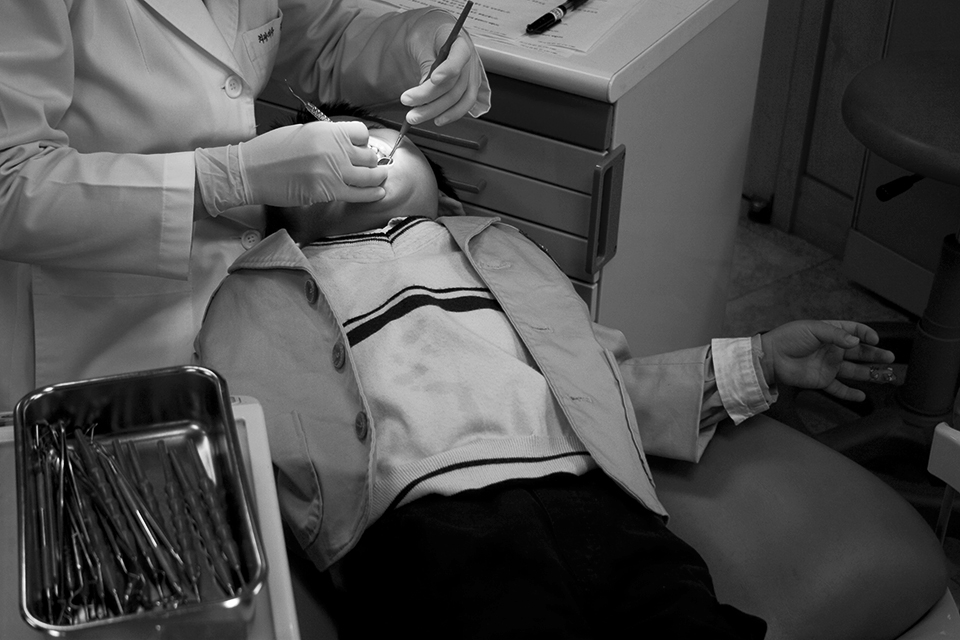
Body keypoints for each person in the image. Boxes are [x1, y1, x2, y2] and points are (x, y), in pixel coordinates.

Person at [195, 105, 901, 638]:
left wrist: (762, 358)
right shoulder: (266, 287)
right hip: (430, 525)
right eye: (331, 147)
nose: (362, 147)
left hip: (597, 502)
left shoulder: (501, 258)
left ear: (443, 195)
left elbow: (609, 387)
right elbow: (244, 429)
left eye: (377, 139)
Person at [0, 0, 490, 410]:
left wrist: (416, 37)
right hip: (97, 331)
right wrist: (230, 176)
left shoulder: (483, 265)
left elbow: (321, 35)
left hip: (242, 322)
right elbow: (9, 183)